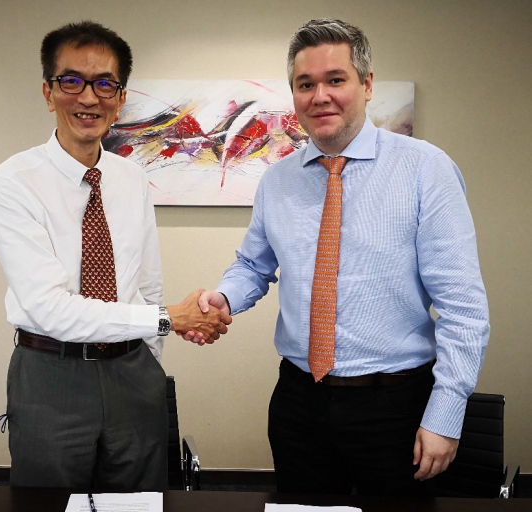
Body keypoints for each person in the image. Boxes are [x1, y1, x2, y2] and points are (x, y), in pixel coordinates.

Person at [194, 18, 489, 496]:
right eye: (305, 84)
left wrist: (446, 414)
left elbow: (463, 308)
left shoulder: (426, 170)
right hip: (299, 402)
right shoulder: (278, 180)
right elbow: (253, 265)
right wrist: (224, 297)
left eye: (335, 80)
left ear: (366, 85)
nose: (320, 96)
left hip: (396, 406)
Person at [0, 21, 231, 490]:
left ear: (120, 99)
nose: (88, 97)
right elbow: (49, 308)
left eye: (104, 84)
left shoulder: (131, 178)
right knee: (47, 502)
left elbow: (148, 282)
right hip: (51, 375)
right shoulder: (12, 183)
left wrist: (149, 359)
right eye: (71, 81)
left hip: (133, 372)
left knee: (140, 501)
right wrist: (169, 319)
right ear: (48, 92)